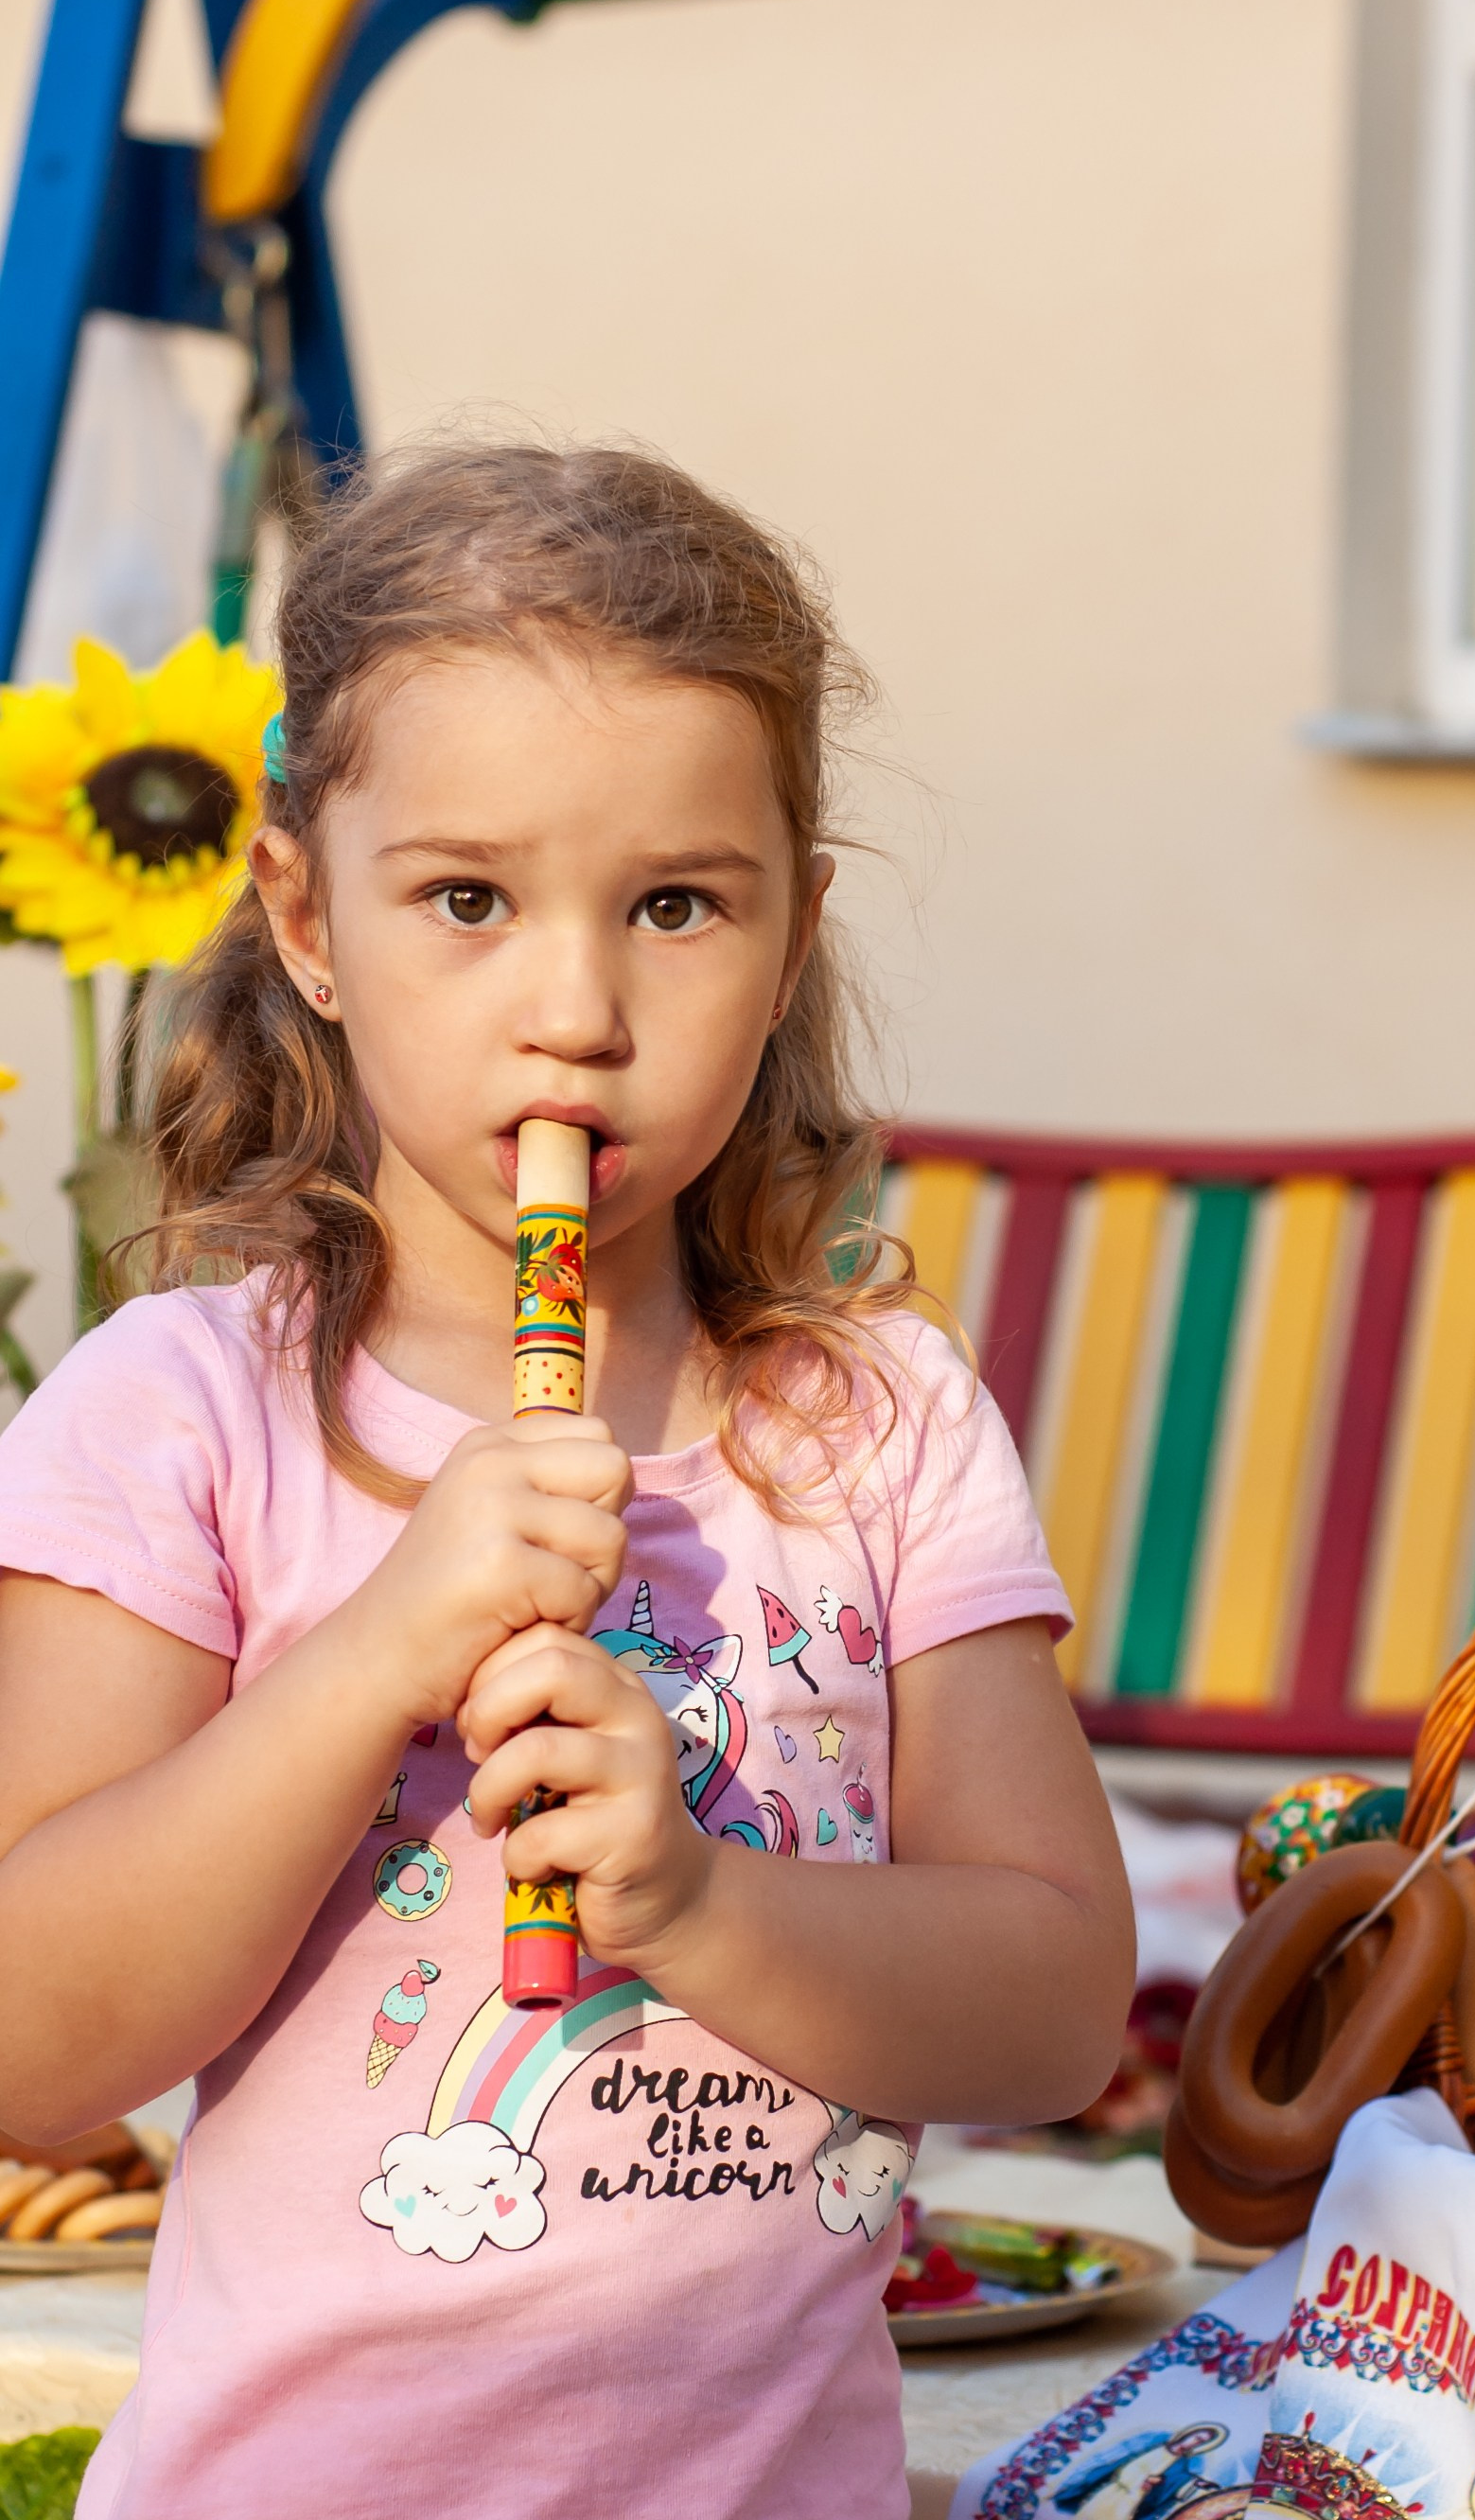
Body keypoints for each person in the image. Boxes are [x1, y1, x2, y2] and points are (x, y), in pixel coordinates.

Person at [0, 444, 1134, 2520]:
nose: (577, 1012)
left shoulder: (878, 1425)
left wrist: (704, 1904)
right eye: (467, 899)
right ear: (305, 920)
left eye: (677, 905)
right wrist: (371, 1659)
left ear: (789, 938)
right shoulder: (179, 1411)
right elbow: (28, 2039)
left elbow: (1057, 2007)